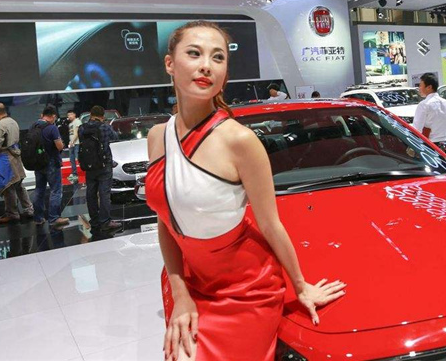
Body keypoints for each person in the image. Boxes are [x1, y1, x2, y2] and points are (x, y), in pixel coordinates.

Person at [145, 21, 346, 361]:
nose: (206, 65)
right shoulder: (157, 137)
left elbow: (270, 224)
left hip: (246, 288)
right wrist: (181, 294)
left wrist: (300, 286)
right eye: (194, 53)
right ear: (170, 64)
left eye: (218, 57)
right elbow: (165, 221)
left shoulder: (239, 140)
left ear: (225, 73)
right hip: (189, 281)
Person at [78, 105, 121, 235]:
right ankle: (105, 221)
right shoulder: (104, 127)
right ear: (102, 116)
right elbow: (115, 137)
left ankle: (95, 221)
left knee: (90, 194)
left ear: (91, 114)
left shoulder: (82, 128)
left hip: (89, 166)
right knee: (104, 194)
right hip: (104, 165)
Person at [0, 103, 34, 223]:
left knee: (8, 186)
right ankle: (29, 209)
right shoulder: (13, 122)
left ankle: (12, 213)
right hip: (16, 155)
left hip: (5, 158)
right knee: (19, 184)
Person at [31, 105, 69, 229]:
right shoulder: (52, 128)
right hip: (51, 162)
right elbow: (59, 146)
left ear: (42, 115)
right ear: (53, 116)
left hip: (38, 162)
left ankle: (38, 218)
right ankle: (54, 218)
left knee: (39, 190)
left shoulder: (34, 126)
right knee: (55, 190)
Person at [413, 73, 446, 145]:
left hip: (430, 144)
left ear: (429, 87)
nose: (419, 88)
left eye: (420, 85)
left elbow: (417, 129)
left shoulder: (424, 104)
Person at [66, 110, 82, 182]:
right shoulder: (70, 124)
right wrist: (71, 142)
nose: (69, 116)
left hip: (77, 143)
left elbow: (77, 133)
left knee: (78, 158)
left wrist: (72, 141)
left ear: (74, 114)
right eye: (68, 115)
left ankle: (85, 171)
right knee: (71, 159)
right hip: (72, 143)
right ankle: (74, 173)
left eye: (71, 114)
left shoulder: (77, 121)